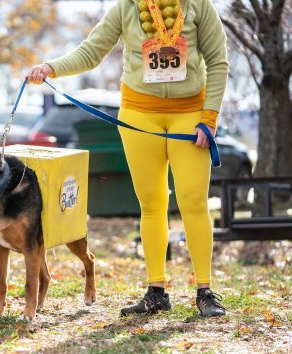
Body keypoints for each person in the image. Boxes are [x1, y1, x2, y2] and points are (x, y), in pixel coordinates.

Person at [26, 0, 228, 317]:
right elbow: (91, 51)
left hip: (190, 114)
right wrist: (51, 67)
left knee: (193, 200)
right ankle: (156, 291)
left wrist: (210, 118)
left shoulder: (198, 5)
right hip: (139, 114)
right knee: (151, 204)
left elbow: (218, 62)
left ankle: (205, 291)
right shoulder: (125, 7)